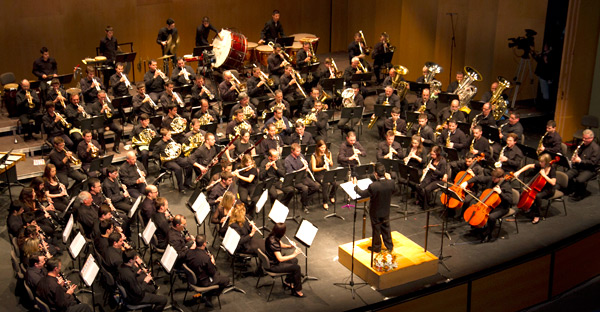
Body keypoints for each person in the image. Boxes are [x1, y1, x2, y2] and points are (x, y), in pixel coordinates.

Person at [459, 168, 514, 242]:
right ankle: (476, 227)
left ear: (501, 178)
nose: (493, 180)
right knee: (473, 206)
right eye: (492, 178)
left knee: (491, 217)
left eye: (495, 179)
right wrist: (466, 182)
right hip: (488, 204)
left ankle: (488, 234)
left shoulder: (507, 186)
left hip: (502, 207)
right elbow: (477, 178)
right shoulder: (491, 179)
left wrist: (500, 193)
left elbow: (510, 201)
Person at [354, 163, 395, 252]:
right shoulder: (391, 183)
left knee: (376, 229)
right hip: (386, 210)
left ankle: (377, 247)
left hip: (375, 211)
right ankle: (389, 246)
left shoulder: (373, 186)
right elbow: (395, 190)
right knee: (386, 227)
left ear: (376, 174)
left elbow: (363, 194)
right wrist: (390, 179)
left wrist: (355, 186)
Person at [185, 235, 230, 307]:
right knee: (226, 280)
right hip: (202, 282)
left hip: (191, 279)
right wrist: (213, 263)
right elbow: (212, 272)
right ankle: (207, 296)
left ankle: (205, 295)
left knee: (218, 274)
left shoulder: (188, 252)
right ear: (204, 244)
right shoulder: (205, 258)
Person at [514, 153, 557, 224]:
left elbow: (553, 182)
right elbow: (529, 166)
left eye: (542, 162)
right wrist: (519, 172)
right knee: (525, 190)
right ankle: (528, 207)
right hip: (539, 187)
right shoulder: (541, 165)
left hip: (548, 190)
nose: (540, 163)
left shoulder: (552, 170)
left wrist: (544, 175)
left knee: (538, 196)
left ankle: (537, 215)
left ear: (546, 163)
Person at [264, 223, 304, 297]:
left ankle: (287, 282)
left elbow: (281, 245)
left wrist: (290, 246)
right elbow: (280, 259)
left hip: (273, 261)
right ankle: (297, 290)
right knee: (296, 267)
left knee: (294, 260)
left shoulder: (272, 237)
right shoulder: (273, 242)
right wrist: (294, 254)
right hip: (273, 266)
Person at [152, 128, 193, 193]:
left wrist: (178, 146)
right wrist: (163, 158)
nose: (170, 136)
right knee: (178, 169)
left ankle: (187, 183)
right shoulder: (159, 144)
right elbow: (154, 154)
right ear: (164, 136)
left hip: (175, 158)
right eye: (169, 135)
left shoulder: (171, 141)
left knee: (188, 164)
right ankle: (181, 187)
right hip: (167, 161)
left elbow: (176, 149)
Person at [285, 143, 320, 213]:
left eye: (299, 151)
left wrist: (306, 166)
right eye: (297, 151)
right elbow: (290, 173)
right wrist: (302, 169)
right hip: (294, 180)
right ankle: (305, 206)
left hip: (303, 177)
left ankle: (304, 199)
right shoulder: (287, 160)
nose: (299, 153)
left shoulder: (301, 156)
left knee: (316, 186)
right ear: (292, 151)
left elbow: (305, 166)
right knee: (305, 188)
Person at [566, 129, 600, 201]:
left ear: (591, 138)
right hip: (580, 165)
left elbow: (593, 163)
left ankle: (580, 194)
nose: (583, 140)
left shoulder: (596, 148)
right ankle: (572, 190)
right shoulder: (582, 144)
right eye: (583, 138)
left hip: (590, 169)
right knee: (567, 175)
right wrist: (575, 158)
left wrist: (581, 161)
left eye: (586, 138)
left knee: (580, 180)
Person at [416, 146, 447, 210]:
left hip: (438, 179)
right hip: (431, 176)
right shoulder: (432, 159)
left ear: (438, 154)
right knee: (418, 186)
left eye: (433, 154)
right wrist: (425, 170)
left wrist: (434, 169)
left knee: (427, 189)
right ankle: (422, 201)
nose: (431, 156)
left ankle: (426, 205)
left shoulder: (442, 161)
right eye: (431, 154)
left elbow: (442, 173)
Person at [310, 140, 337, 210]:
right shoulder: (314, 155)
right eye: (322, 148)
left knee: (335, 183)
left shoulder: (328, 153)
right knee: (325, 184)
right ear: (318, 148)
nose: (323, 149)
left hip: (327, 172)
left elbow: (331, 165)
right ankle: (325, 202)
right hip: (318, 174)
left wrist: (329, 161)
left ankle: (331, 196)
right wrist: (322, 168)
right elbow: (313, 169)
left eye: (324, 147)